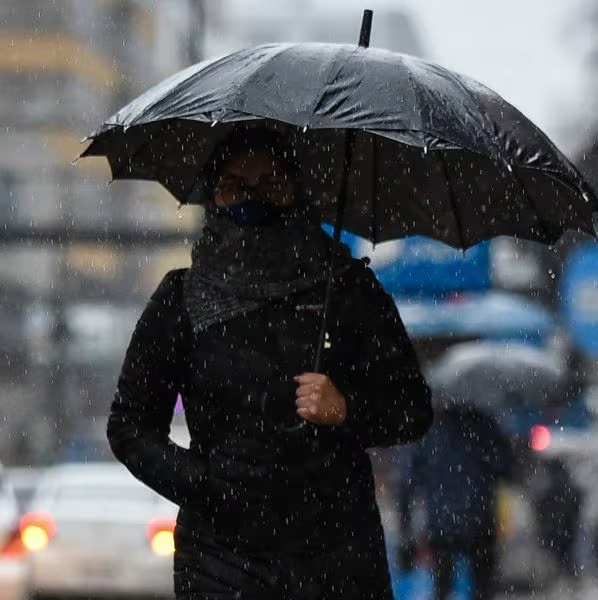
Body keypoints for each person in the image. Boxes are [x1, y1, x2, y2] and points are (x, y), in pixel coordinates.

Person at [107, 126, 433, 599]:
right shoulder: (182, 298)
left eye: (271, 184)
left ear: (297, 191)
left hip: (336, 552)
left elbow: (413, 409)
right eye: (236, 186)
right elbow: (130, 425)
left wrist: (347, 409)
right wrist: (208, 487)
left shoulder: (348, 291)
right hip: (221, 558)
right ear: (213, 196)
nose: (253, 198)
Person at [396, 404, 515, 600]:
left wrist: (405, 525)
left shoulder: (430, 430)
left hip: (441, 524)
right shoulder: (484, 426)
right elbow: (506, 469)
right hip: (479, 520)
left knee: (442, 587)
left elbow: (408, 482)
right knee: (482, 588)